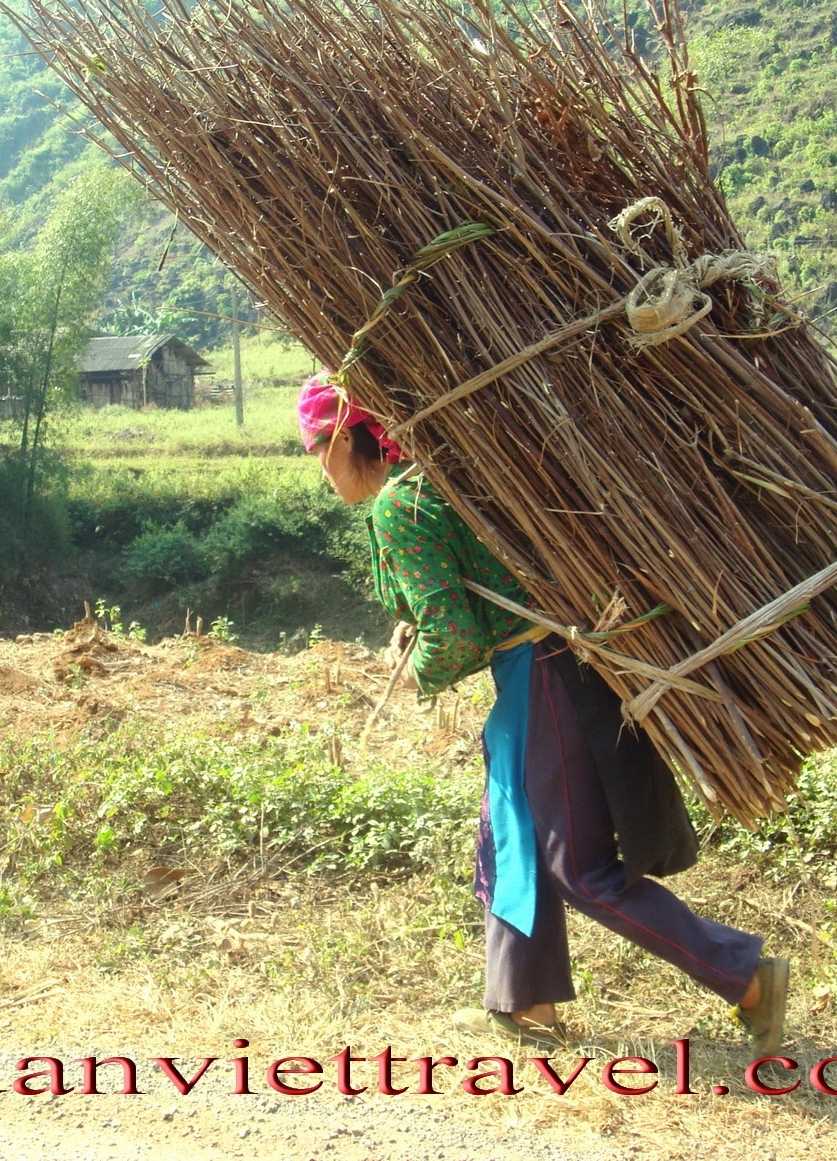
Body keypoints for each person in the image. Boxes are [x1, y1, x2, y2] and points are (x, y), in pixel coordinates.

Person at [297, 374, 789, 1056]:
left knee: (579, 870)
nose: (318, 467)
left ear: (349, 438)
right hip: (548, 669)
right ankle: (525, 1003)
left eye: (317, 447)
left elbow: (457, 634)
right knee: (509, 836)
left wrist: (418, 672)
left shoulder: (399, 507)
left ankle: (746, 975)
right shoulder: (440, 480)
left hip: (543, 676)